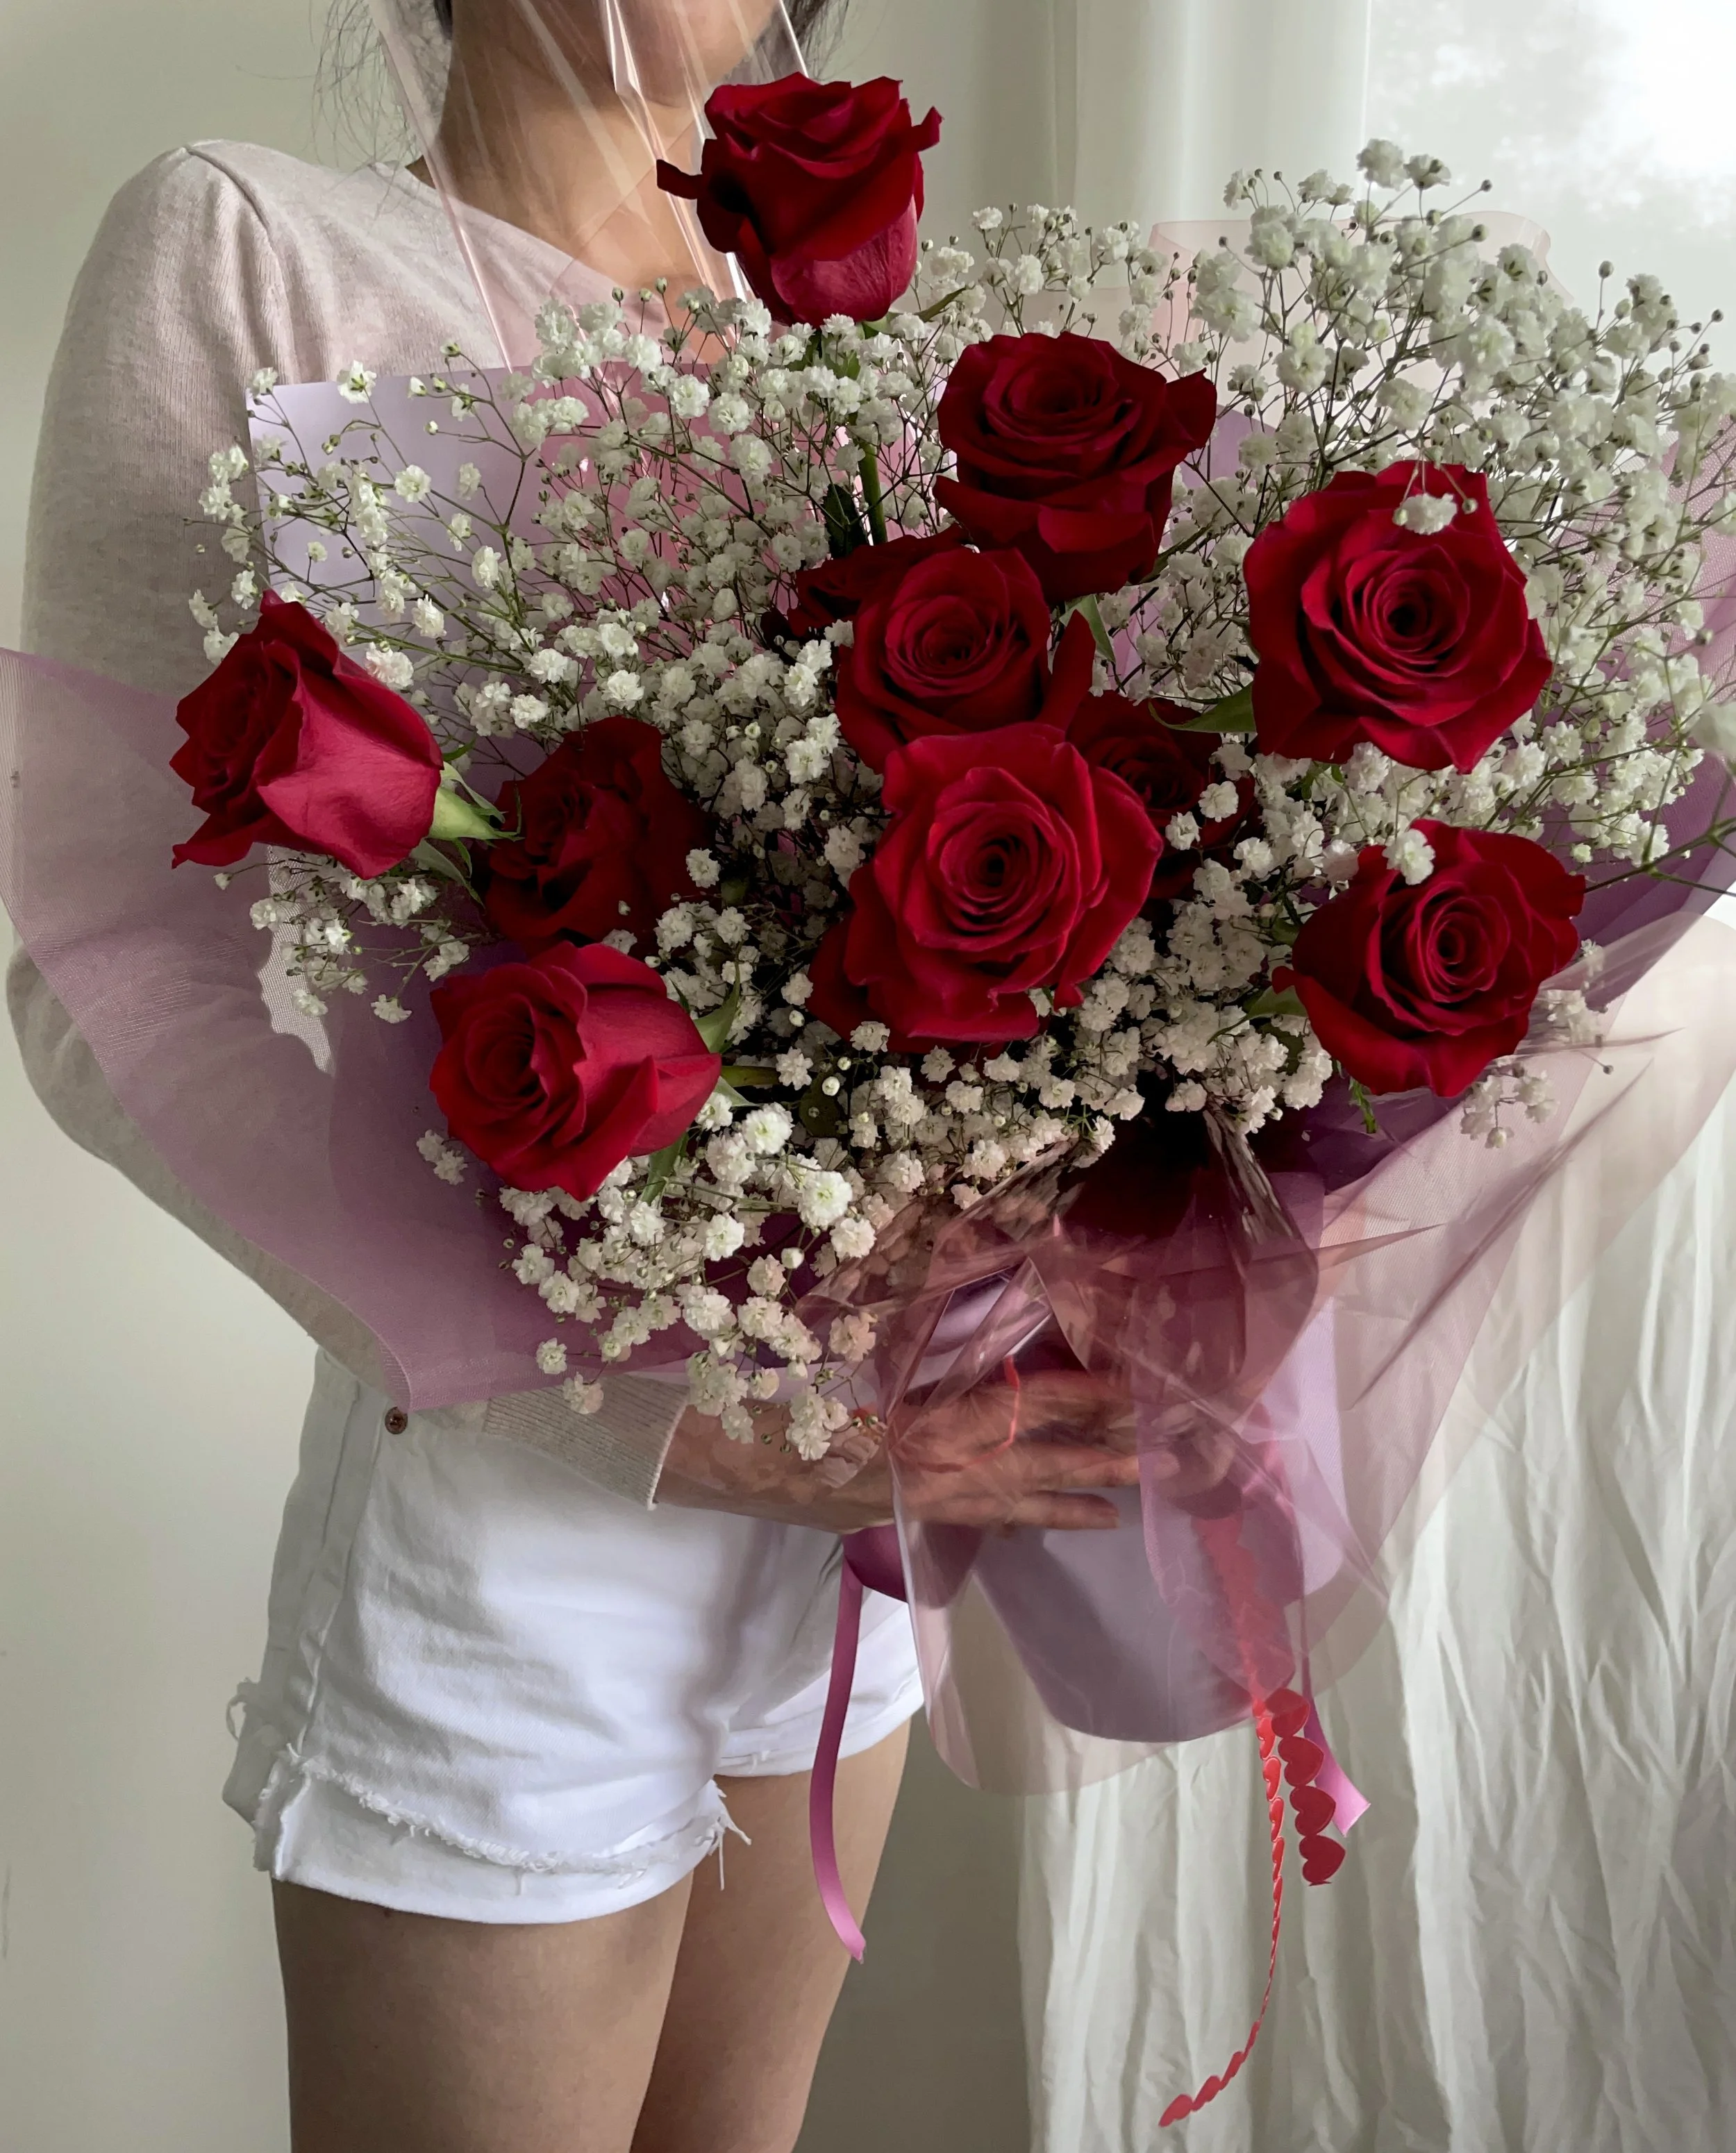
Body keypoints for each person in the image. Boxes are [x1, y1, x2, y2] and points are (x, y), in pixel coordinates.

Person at [6, 5, 1146, 2147]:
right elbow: (104, 983)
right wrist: (651, 1402)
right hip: (518, 1512)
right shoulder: (253, 242)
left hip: (850, 1526)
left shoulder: (862, 341)